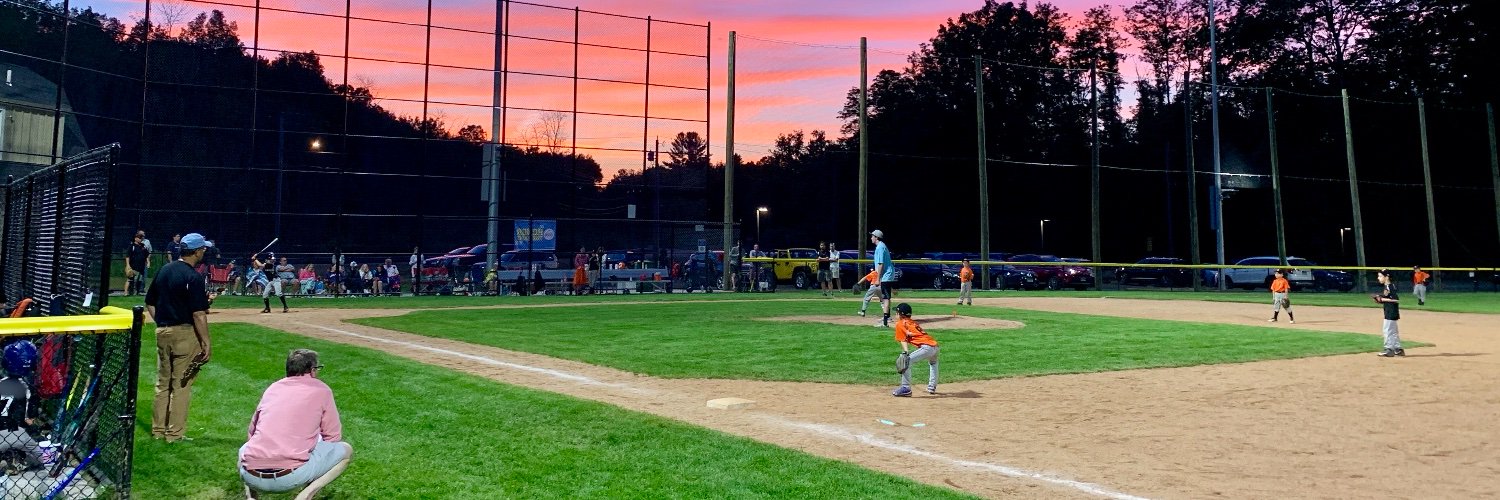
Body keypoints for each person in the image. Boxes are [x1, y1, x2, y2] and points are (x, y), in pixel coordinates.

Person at [239, 349, 352, 500]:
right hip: (290, 477)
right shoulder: (322, 390)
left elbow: (252, 433)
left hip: (250, 475)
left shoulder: (273, 388)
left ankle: (251, 497)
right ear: (311, 371)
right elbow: (332, 436)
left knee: (247, 448)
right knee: (345, 451)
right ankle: (306, 495)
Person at [146, 233, 214, 442]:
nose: (204, 251)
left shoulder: (164, 270)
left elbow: (150, 302)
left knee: (163, 383)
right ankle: (174, 434)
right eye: (203, 249)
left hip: (163, 332)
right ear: (196, 251)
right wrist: (206, 342)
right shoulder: (193, 277)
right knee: (181, 385)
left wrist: (162, 323)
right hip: (184, 333)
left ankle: (158, 431)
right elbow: (198, 314)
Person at [0, 340, 44, 472]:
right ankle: (19, 458)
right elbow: (28, 420)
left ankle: (7, 456)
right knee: (43, 458)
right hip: (16, 434)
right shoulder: (29, 388)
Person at [890, 302, 940, 397]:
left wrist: (905, 353)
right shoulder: (912, 323)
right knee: (933, 363)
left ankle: (906, 388)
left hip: (927, 347)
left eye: (896, 313)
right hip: (935, 346)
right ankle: (932, 386)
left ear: (900, 314)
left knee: (906, 361)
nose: (895, 315)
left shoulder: (900, 323)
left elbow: (902, 340)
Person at [1375, 269, 1405, 357]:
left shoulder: (1389, 286)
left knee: (1387, 331)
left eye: (1380, 276)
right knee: (1393, 331)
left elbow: (1395, 299)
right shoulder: (1388, 286)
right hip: (1391, 311)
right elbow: (1389, 298)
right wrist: (1380, 299)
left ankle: (1389, 349)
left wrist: (1381, 299)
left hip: (1390, 312)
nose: (1378, 278)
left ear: (1386, 277)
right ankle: (1398, 349)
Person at [870, 229, 897, 327]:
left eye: (872, 236)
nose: (871, 238)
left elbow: (881, 263)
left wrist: (878, 278)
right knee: (885, 295)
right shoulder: (880, 246)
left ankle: (885, 321)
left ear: (876, 237)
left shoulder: (880, 247)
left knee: (885, 297)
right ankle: (887, 317)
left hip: (886, 274)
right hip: (886, 274)